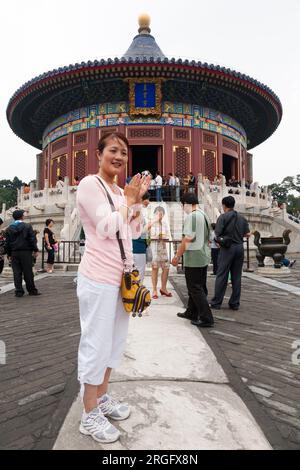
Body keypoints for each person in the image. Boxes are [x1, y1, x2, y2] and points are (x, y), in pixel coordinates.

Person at [76, 131, 150, 444]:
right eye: (113, 150)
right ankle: (88, 412)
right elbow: (106, 228)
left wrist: (136, 207)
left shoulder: (120, 191)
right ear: (99, 153)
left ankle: (102, 397)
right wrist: (129, 203)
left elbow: (132, 230)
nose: (118, 157)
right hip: (97, 277)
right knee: (95, 344)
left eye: (123, 152)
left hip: (121, 277)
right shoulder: (89, 185)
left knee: (115, 342)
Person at [172, 192, 214, 327]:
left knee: (195, 288)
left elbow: (188, 239)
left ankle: (206, 317)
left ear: (187, 204)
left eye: (183, 205)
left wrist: (177, 256)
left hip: (194, 258)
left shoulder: (192, 217)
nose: (183, 208)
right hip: (203, 255)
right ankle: (192, 311)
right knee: (198, 286)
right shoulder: (204, 215)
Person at [210, 196, 251, 311]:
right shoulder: (242, 218)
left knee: (222, 275)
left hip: (227, 248)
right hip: (239, 247)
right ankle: (234, 303)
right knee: (237, 276)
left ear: (224, 205)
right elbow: (247, 234)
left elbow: (217, 234)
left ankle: (216, 302)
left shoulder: (222, 217)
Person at [4, 209, 40, 297]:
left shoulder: (9, 228)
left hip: (14, 253)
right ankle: (31, 290)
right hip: (26, 252)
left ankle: (19, 291)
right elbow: (32, 240)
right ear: (22, 216)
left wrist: (9, 254)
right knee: (28, 271)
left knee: (16, 272)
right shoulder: (27, 226)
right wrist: (35, 250)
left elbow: (7, 243)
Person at [151, 206, 172, 299]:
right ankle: (154, 289)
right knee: (155, 268)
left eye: (161, 213)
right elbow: (150, 236)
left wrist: (163, 236)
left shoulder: (164, 224)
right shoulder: (151, 224)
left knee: (166, 268)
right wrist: (158, 236)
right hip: (154, 248)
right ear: (154, 214)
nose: (160, 215)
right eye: (158, 213)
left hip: (163, 248)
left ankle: (163, 288)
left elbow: (167, 235)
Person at [132, 192, 151, 283]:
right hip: (138, 246)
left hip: (137, 246)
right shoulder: (140, 212)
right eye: (147, 199)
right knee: (139, 275)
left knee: (134, 275)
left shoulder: (135, 210)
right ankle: (137, 295)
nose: (149, 202)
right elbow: (142, 231)